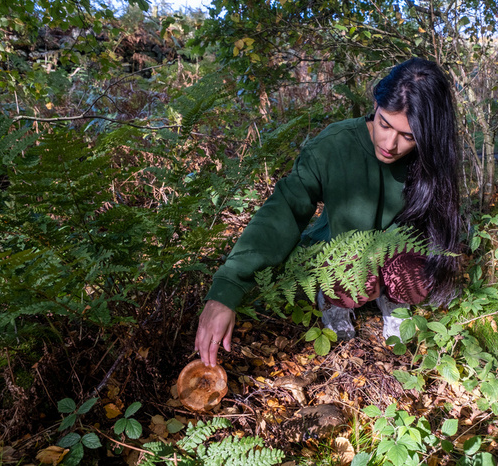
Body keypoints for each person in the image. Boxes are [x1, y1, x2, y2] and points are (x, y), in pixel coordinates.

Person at [195, 57, 466, 367]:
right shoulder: (333, 146)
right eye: (384, 124)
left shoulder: (430, 162)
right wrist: (226, 290)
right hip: (341, 250)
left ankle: (391, 302)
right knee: (354, 269)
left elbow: (431, 229)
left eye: (408, 136)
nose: (390, 144)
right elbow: (283, 210)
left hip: (395, 250)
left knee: (417, 278)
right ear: (375, 105)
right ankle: (335, 302)